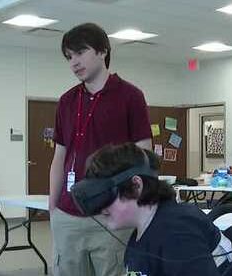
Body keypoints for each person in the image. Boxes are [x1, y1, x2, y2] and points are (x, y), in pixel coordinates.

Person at [49, 22, 153, 276]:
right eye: (69, 57)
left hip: (112, 217)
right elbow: (59, 157)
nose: (74, 62)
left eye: (80, 52)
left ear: (103, 51)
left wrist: (136, 208)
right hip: (68, 216)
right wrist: (53, 209)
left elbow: (144, 157)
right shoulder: (66, 101)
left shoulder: (130, 96)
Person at [81, 143, 232, 276]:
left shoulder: (177, 233)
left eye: (107, 196)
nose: (102, 209)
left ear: (136, 186)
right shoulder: (145, 228)